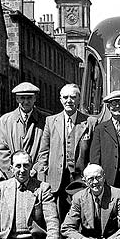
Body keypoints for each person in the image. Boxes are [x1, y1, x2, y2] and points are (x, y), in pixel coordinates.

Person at [35, 83, 92, 220]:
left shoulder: (90, 122)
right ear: (60, 100)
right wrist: (42, 178)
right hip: (55, 177)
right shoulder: (50, 121)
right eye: (65, 97)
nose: (69, 101)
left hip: (79, 177)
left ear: (79, 99)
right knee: (54, 216)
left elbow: (94, 152)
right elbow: (44, 152)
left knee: (79, 214)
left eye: (73, 97)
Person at [0, 82, 47, 179]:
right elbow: (2, 151)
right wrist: (13, 171)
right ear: (17, 99)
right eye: (22, 98)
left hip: (37, 177)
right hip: (10, 178)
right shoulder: (5, 121)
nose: (26, 102)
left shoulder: (45, 121)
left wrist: (35, 169)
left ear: (35, 98)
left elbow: (47, 150)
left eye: (29, 98)